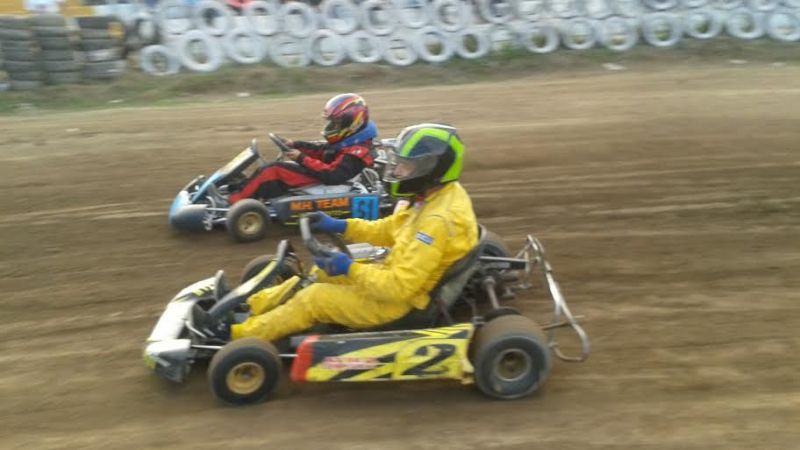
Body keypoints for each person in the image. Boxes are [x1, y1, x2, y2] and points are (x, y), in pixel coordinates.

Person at [202, 123, 478, 343]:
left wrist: (349, 268)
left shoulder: (436, 221)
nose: (397, 170)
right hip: (396, 279)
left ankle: (236, 335)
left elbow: (397, 289)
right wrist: (341, 226)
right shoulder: (436, 195)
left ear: (431, 169)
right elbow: (389, 229)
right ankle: (250, 306)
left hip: (401, 305)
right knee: (320, 273)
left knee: (315, 299)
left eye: (405, 166)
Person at [228, 93, 377, 204]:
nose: (331, 127)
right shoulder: (351, 141)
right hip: (326, 177)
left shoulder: (358, 152)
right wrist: (295, 145)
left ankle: (234, 202)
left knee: (271, 171)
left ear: (352, 123)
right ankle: (238, 189)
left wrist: (301, 159)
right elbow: (324, 152)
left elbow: (333, 175)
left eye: (336, 123)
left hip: (333, 185)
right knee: (268, 168)